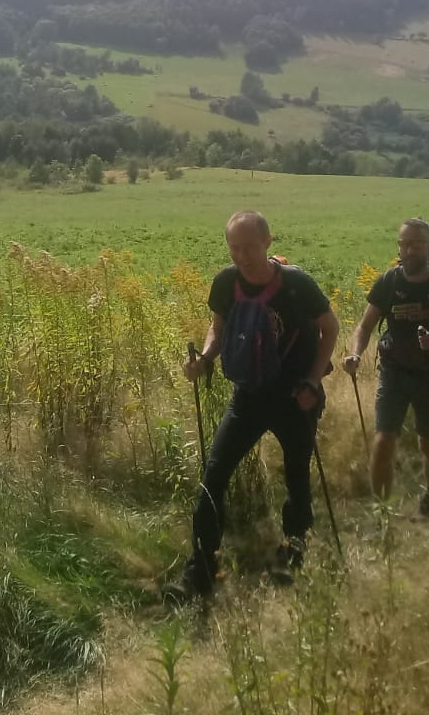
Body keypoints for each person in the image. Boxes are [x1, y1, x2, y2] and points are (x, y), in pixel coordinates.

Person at [168, 210, 339, 601]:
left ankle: (293, 548)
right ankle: (201, 568)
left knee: (296, 473)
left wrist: (313, 381)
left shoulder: (296, 284)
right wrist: (205, 358)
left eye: (249, 247)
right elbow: (218, 327)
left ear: (267, 243)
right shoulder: (226, 282)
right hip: (248, 395)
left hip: (295, 396)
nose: (241, 256)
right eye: (234, 248)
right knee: (214, 475)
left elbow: (329, 328)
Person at [342, 218, 429, 518]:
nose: (410, 250)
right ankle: (382, 513)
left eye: (417, 244)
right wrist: (355, 354)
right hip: (394, 372)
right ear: (399, 246)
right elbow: (365, 326)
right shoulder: (389, 282)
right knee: (384, 440)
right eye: (405, 244)